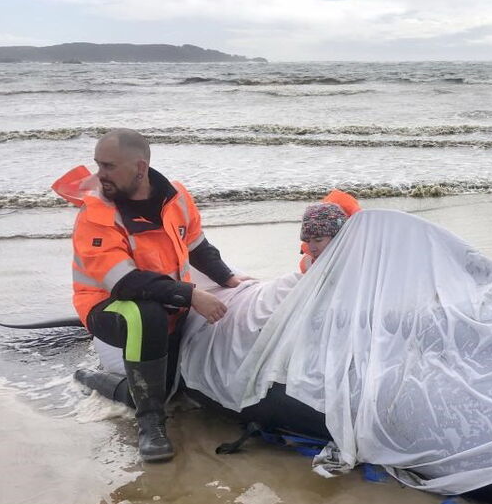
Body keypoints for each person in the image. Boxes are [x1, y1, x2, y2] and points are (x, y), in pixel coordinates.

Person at [53, 128, 250, 462]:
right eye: (98, 165)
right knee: (145, 314)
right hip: (109, 305)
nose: (100, 175)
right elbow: (124, 283)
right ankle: (150, 424)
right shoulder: (97, 214)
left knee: (167, 390)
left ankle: (109, 384)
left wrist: (228, 278)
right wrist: (191, 295)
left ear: (140, 169)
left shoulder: (176, 198)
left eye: (109, 166)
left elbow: (197, 245)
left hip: (166, 301)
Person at [298, 189, 360, 272]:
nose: (312, 248)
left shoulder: (361, 260)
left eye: (318, 240)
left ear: (338, 237)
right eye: (308, 241)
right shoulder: (308, 265)